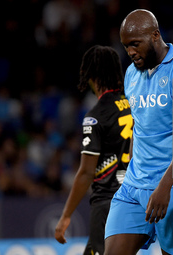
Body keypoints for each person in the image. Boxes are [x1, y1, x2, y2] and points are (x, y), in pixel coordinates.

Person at [103, 9, 173, 255]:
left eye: (135, 44)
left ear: (155, 35)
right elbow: (138, 127)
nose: (130, 52)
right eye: (126, 46)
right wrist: (126, 172)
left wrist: (165, 187)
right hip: (134, 185)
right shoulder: (131, 74)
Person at [54, 45, 132, 255]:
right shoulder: (132, 105)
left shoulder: (95, 116)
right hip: (133, 198)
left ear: (91, 74)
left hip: (107, 204)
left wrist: (66, 215)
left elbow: (86, 172)